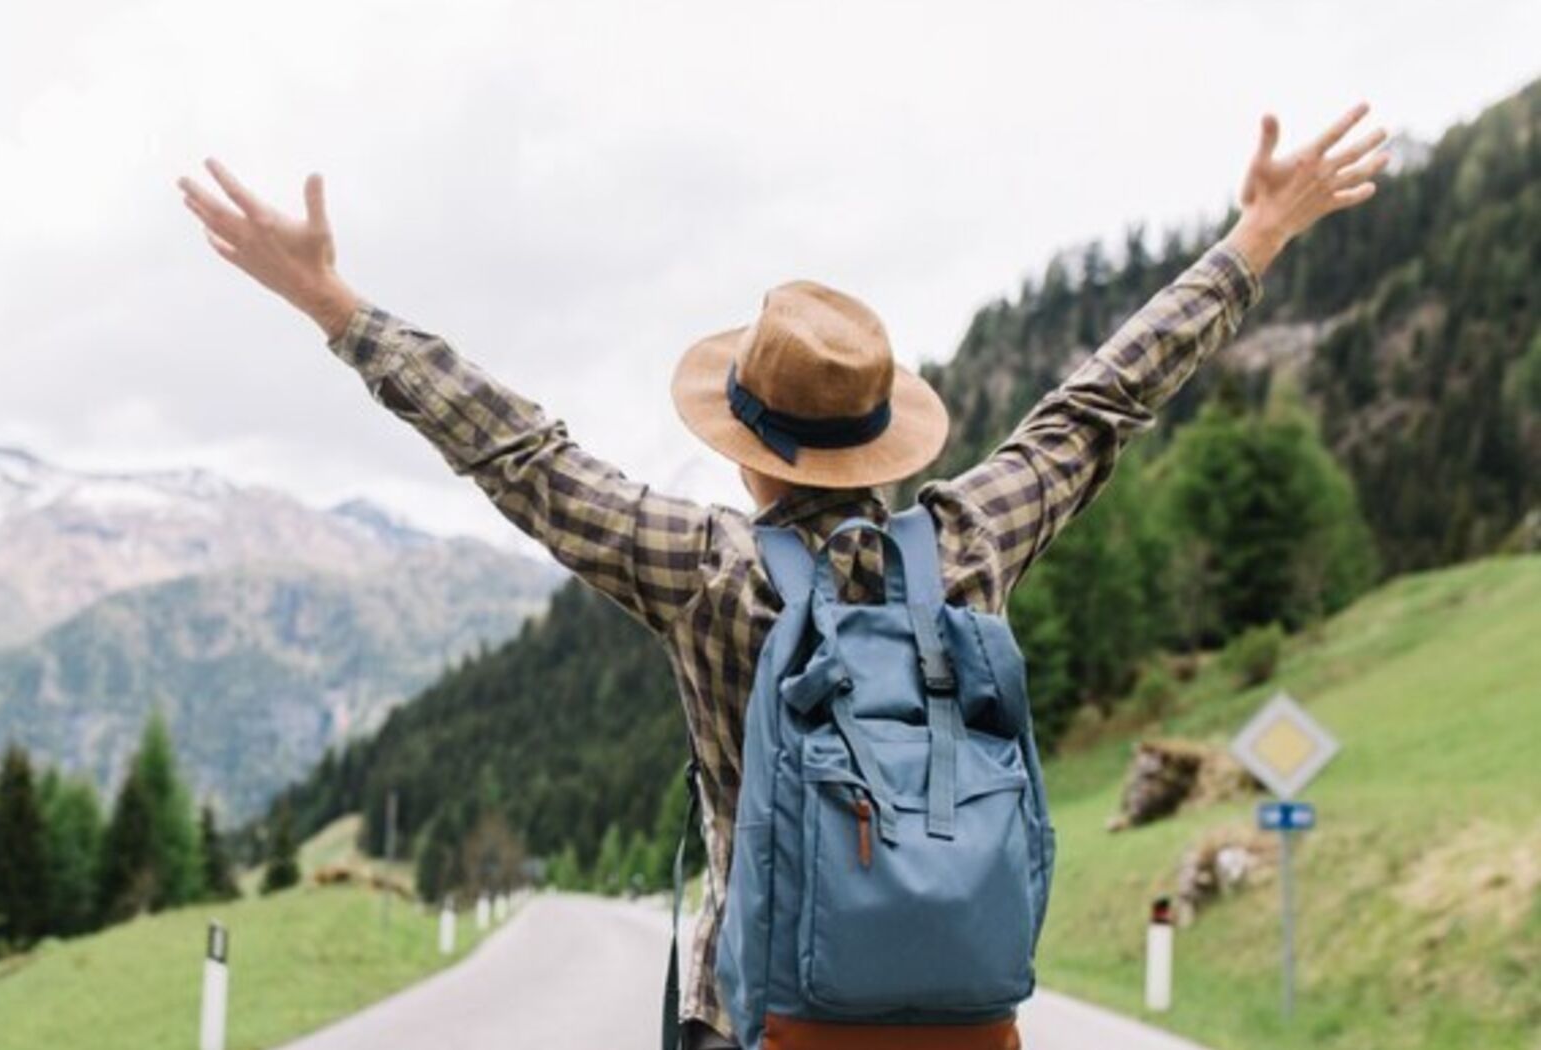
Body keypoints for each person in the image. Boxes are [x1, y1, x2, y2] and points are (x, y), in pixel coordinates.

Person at [177, 103, 1387, 1049]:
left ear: (745, 453)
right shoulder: (969, 542)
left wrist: (333, 305)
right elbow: (1098, 407)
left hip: (758, 1014)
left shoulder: (708, 572)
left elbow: (518, 455)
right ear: (882, 440)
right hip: (963, 1021)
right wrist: (1257, 235)